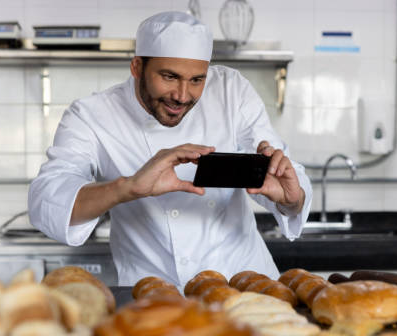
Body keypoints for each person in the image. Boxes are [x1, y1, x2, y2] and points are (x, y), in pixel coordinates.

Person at [28, 11, 312, 288]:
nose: (182, 95)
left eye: (197, 80)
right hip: (155, 295)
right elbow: (46, 201)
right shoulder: (91, 115)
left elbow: (283, 179)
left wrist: (291, 198)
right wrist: (127, 187)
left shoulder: (230, 92)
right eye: (169, 76)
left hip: (243, 286)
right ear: (137, 67)